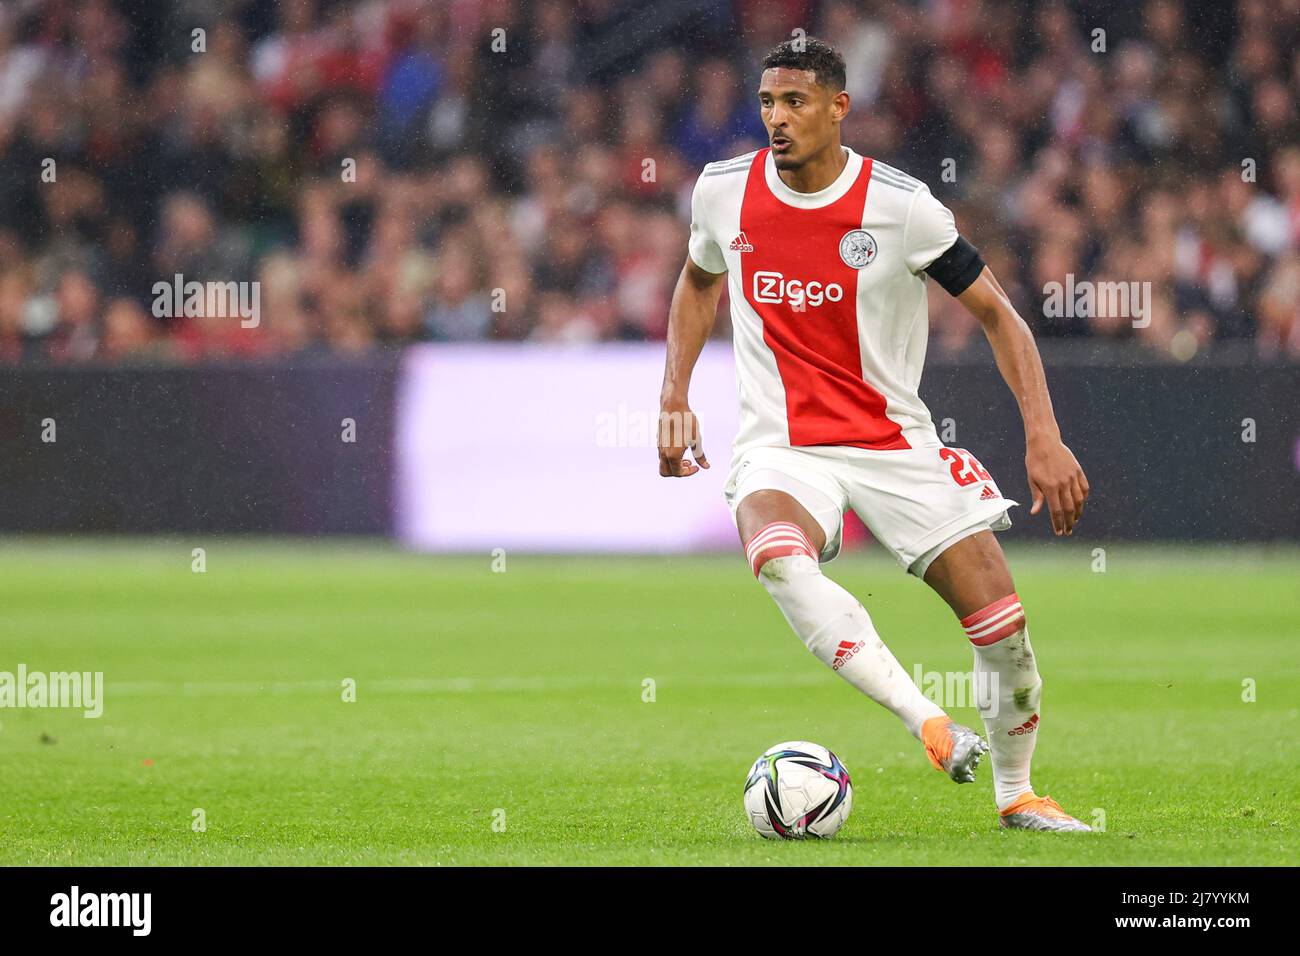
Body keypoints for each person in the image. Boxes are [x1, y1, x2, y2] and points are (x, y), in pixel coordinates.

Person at [658, 38, 1091, 831]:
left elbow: (1001, 316)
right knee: (778, 559)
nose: (776, 119)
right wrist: (673, 396)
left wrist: (1043, 436)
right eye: (766, 103)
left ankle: (1017, 793)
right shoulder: (723, 192)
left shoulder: (901, 206)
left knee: (1003, 630)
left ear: (837, 108)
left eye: (794, 103)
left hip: (893, 445)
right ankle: (928, 721)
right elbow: (697, 281)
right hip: (781, 444)